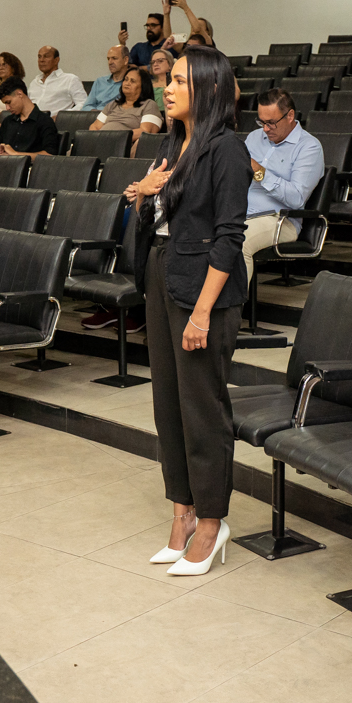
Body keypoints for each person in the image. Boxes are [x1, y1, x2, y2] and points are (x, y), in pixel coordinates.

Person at [130, 46, 249, 577]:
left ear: (209, 87)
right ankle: (182, 514)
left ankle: (212, 521)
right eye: (169, 79)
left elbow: (229, 237)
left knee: (202, 410)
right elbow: (154, 214)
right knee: (168, 405)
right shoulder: (170, 142)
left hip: (204, 290)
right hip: (162, 274)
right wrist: (143, 192)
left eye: (179, 80)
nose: (168, 88)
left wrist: (202, 313)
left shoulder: (227, 149)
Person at [240, 88, 324, 283]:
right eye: (262, 122)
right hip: (240, 211)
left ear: (290, 116)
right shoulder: (253, 138)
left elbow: (296, 199)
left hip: (280, 220)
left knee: (238, 241)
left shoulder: (309, 147)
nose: (265, 129)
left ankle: (231, 303)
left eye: (271, 123)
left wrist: (260, 172)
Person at [89, 66, 163, 149]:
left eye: (132, 81)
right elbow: (95, 126)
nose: (127, 83)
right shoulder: (113, 104)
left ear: (143, 86)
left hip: (123, 148)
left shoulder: (149, 105)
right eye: (126, 79)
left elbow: (145, 132)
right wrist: (98, 139)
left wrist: (114, 138)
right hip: (100, 144)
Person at [0, 79, 61, 157]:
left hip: (31, 164)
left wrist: (16, 155)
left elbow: (50, 154)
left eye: (9, 102)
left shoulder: (45, 121)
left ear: (19, 94)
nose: (7, 108)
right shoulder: (7, 121)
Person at [30, 46, 87, 115]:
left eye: (46, 56)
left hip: (54, 120)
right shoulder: (34, 82)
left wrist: (61, 116)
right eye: (39, 57)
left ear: (56, 60)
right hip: (30, 120)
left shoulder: (70, 79)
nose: (41, 60)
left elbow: (83, 104)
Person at [84, 44, 131, 110]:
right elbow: (86, 107)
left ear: (125, 60)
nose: (110, 62)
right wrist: (96, 113)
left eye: (114, 58)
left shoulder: (131, 83)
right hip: (96, 114)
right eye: (108, 59)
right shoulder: (100, 82)